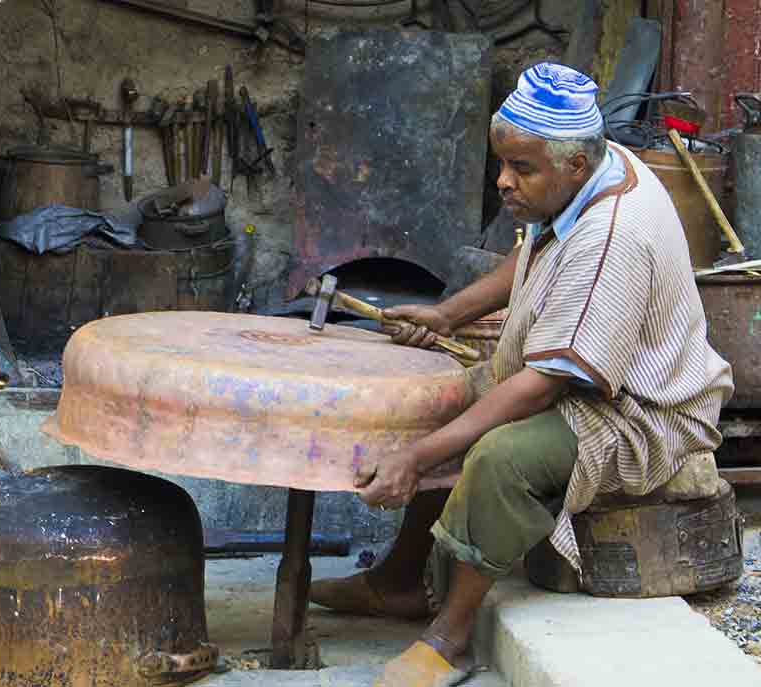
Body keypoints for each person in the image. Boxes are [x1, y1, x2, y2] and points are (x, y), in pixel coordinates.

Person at [310, 62, 735, 686]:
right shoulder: (585, 168)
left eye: (521, 170)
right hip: (580, 381)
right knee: (448, 399)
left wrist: (420, 457)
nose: (506, 183)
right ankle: (398, 582)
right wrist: (447, 314)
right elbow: (533, 246)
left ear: (574, 165)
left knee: (500, 455)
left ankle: (450, 638)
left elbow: (544, 384)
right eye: (501, 166)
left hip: (643, 414)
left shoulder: (612, 237)